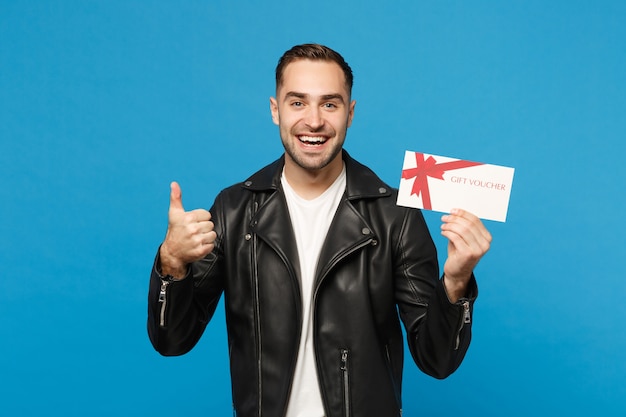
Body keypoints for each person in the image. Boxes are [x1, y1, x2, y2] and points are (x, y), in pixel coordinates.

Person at [147, 43, 492, 417]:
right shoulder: (234, 209)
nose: (314, 121)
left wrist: (456, 282)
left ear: (350, 113)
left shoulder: (396, 217)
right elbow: (172, 341)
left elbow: (437, 360)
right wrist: (172, 264)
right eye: (297, 103)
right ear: (275, 110)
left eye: (330, 104)